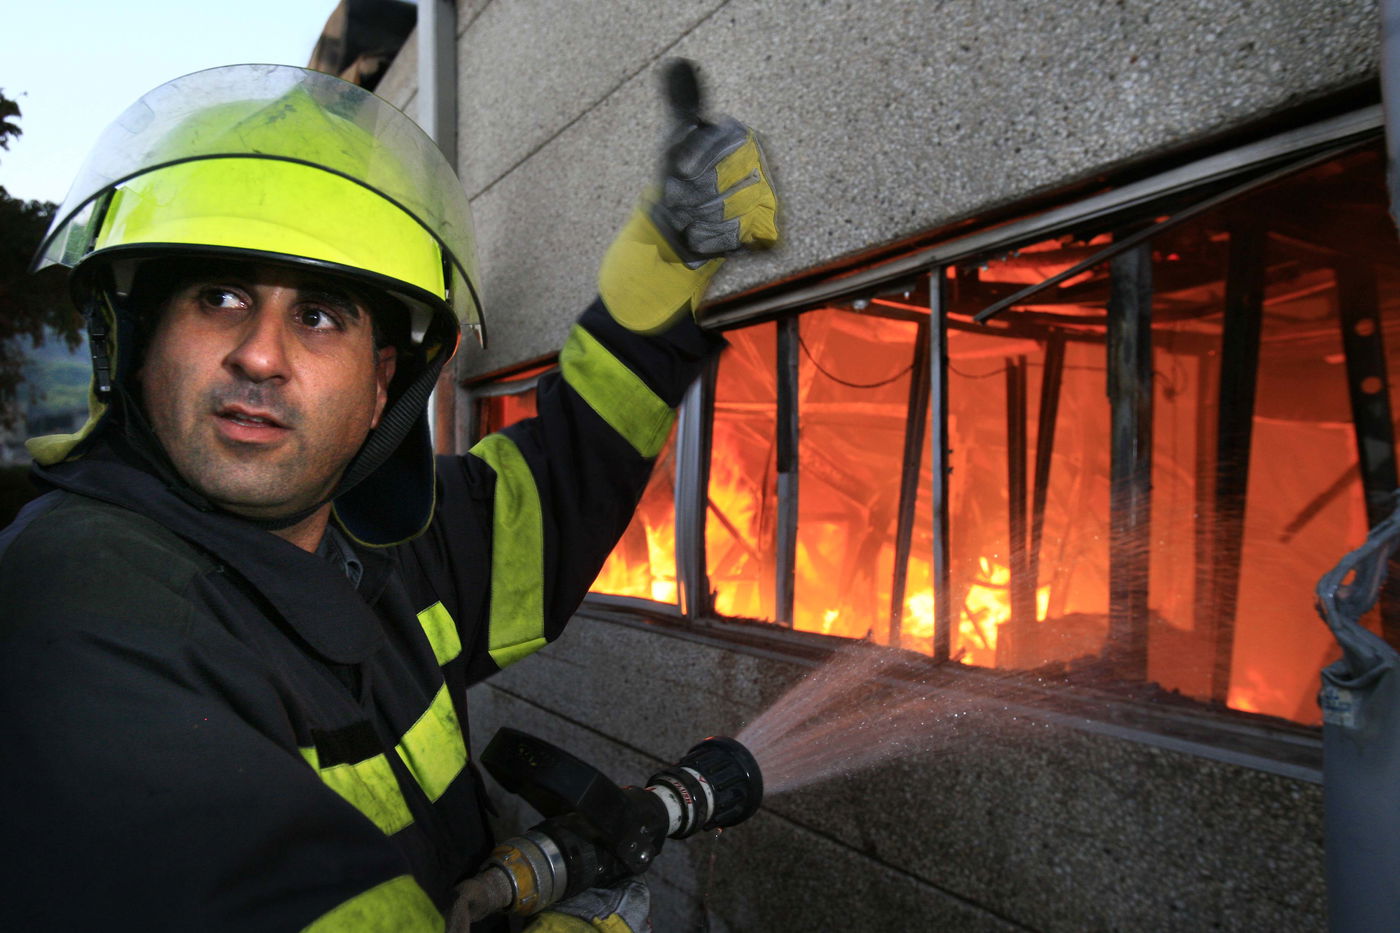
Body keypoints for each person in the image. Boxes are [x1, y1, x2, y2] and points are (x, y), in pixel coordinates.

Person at [0, 62, 777, 932]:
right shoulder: (76, 610)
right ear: (135, 345)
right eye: (219, 297)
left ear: (383, 390)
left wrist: (666, 257)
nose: (259, 355)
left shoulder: (377, 543)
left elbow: (555, 490)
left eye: (320, 315)